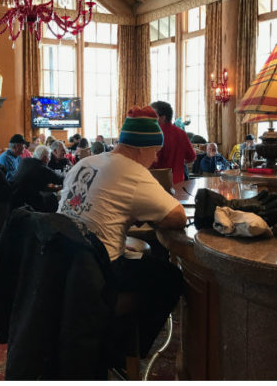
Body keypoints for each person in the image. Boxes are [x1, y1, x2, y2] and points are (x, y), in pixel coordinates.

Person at [58, 106, 186, 362]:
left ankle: (106, 340)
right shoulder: (133, 171)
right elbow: (177, 217)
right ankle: (121, 352)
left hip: (59, 266)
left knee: (142, 263)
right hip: (97, 276)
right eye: (155, 151)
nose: (156, 159)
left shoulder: (86, 162)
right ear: (141, 148)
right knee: (170, 278)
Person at [149, 101, 195, 186]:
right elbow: (191, 157)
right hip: (178, 183)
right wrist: (178, 162)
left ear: (162, 117)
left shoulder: (154, 134)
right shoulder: (181, 133)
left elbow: (150, 163)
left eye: (152, 115)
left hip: (157, 184)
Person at [10, 145, 64, 213]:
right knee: (52, 201)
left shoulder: (24, 161)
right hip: (27, 203)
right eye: (49, 157)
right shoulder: (42, 168)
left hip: (12, 198)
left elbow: (41, 185)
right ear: (45, 158)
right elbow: (60, 180)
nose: (49, 159)